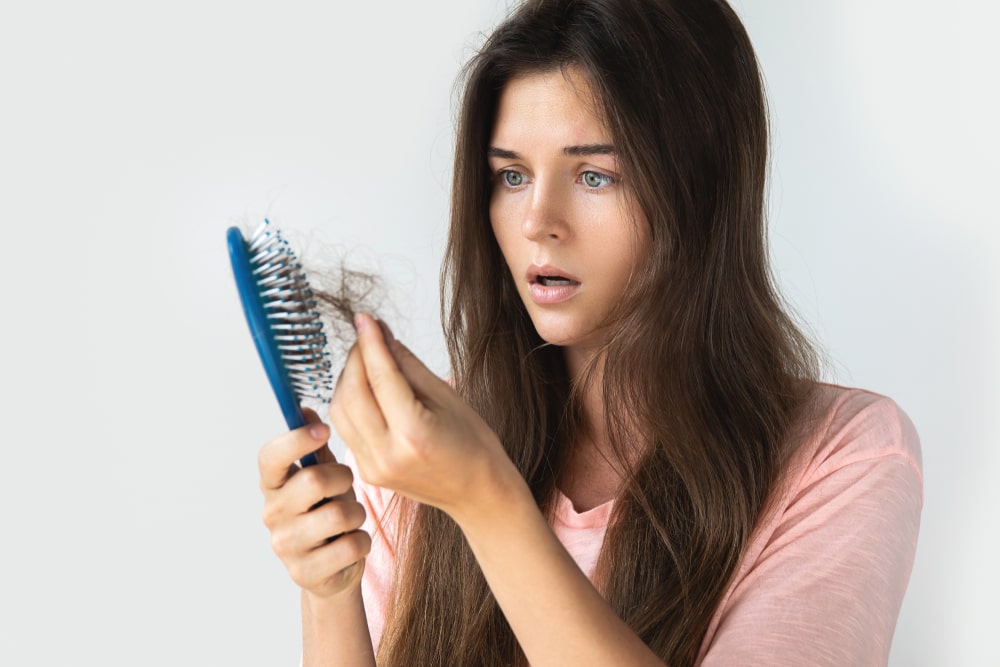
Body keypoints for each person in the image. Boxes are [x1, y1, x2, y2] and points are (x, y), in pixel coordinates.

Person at [257, 0, 923, 664]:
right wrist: (327, 589)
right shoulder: (421, 456)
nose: (536, 221)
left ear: (699, 191)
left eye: (594, 174)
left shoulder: (845, 456)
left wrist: (487, 499)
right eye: (511, 175)